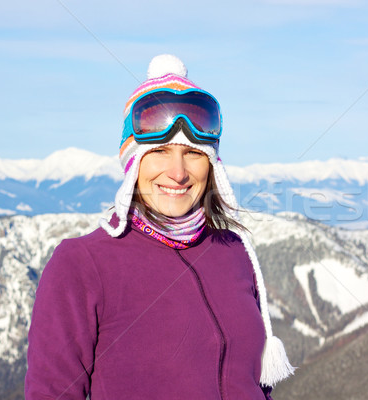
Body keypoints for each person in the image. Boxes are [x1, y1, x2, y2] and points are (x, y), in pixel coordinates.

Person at [25, 54, 294, 399]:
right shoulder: (81, 264)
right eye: (161, 152)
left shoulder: (233, 251)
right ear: (134, 164)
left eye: (194, 154)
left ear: (212, 166)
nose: (178, 172)